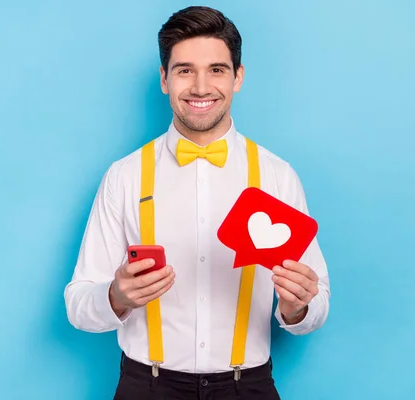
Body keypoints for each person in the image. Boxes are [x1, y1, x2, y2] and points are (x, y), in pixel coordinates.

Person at [64, 6, 330, 400]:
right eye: (185, 70)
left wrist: (297, 308)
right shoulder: (124, 175)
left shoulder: (278, 176)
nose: (201, 86)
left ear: (238, 77)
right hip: (146, 386)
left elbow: (317, 299)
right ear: (164, 79)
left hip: (248, 387)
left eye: (217, 70)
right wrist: (116, 297)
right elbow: (78, 303)